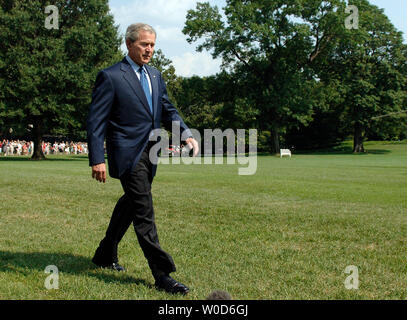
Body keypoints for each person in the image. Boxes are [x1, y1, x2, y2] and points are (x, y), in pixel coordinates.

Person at [87, 23, 198, 295]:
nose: (149, 49)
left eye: (152, 45)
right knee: (143, 209)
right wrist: (96, 158)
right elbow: (95, 121)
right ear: (129, 44)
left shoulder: (156, 75)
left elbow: (167, 109)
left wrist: (185, 133)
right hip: (126, 154)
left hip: (152, 152)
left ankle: (105, 253)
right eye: (144, 44)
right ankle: (162, 274)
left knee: (131, 204)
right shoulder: (111, 76)